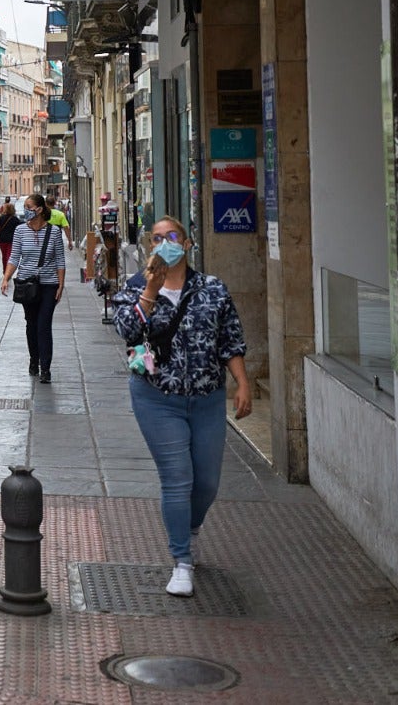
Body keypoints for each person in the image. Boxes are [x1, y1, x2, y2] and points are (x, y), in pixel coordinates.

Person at [112, 217, 250, 599]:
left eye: (171, 237)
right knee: (178, 477)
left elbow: (230, 340)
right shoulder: (136, 287)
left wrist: (243, 382)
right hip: (157, 398)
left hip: (207, 398)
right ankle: (182, 562)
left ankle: (188, 528)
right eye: (156, 239)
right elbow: (126, 331)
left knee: (206, 483)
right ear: (149, 247)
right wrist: (150, 291)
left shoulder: (212, 289)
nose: (164, 243)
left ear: (187, 244)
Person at [0, 195, 68, 383]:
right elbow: (14, 257)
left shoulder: (54, 232)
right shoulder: (20, 231)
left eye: (29, 207)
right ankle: (34, 360)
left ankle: (45, 368)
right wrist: (6, 278)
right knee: (31, 324)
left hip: (49, 284)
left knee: (44, 325)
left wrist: (61, 284)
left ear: (39, 209)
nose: (26, 210)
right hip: (27, 284)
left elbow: (60, 260)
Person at [0, 201, 21, 270]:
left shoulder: (1, 218)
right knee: (9, 255)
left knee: (4, 255)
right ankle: (8, 270)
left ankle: (5, 270)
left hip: (2, 240)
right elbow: (19, 229)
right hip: (12, 240)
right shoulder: (15, 219)